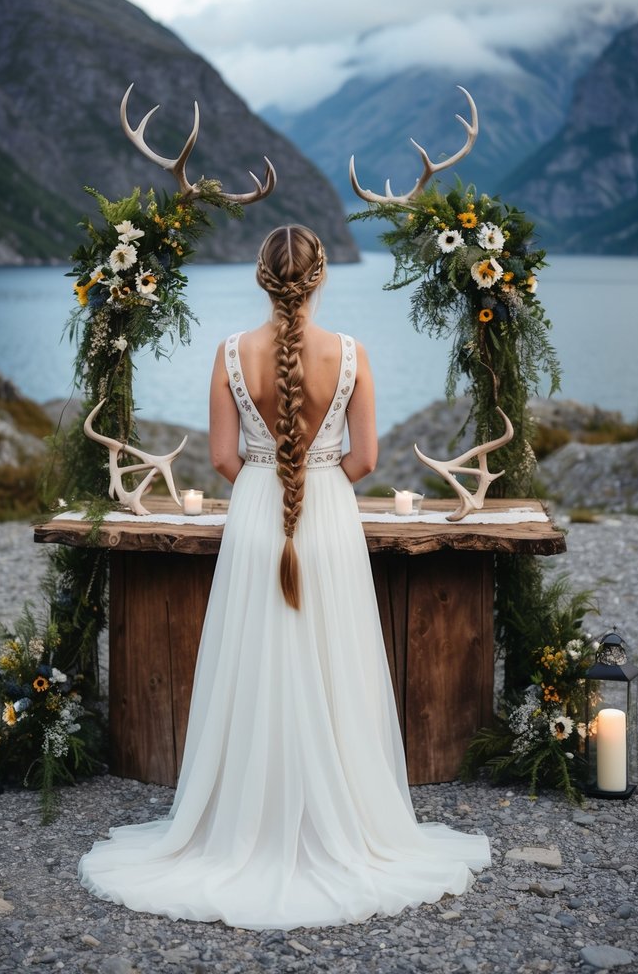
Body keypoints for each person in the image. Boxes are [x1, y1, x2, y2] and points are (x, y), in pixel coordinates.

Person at [78, 224, 490, 929]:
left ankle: (246, 816)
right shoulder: (352, 354)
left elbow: (223, 458)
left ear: (261, 278)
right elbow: (364, 460)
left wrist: (272, 479)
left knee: (254, 663)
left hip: (257, 518)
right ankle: (341, 816)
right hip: (326, 519)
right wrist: (314, 477)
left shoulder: (230, 354)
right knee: (334, 666)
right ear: (321, 277)